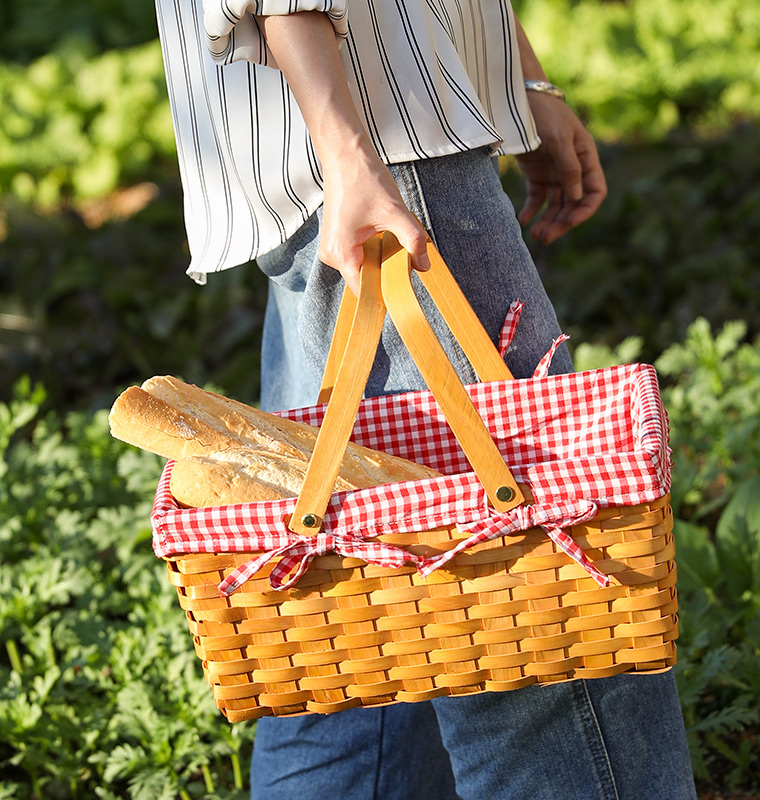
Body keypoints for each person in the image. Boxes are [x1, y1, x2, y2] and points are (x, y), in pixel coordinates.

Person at [154, 2, 698, 798]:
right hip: (381, 151)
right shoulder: (368, 161)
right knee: (547, 640)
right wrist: (349, 152)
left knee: (341, 636)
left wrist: (521, 76)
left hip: (341, 135)